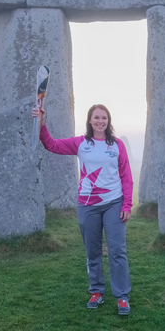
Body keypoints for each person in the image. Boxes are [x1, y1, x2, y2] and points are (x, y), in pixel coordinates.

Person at [33, 103, 133, 315]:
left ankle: (122, 296)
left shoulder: (116, 145)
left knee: (117, 251)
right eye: (96, 117)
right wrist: (42, 124)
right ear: (89, 120)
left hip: (114, 203)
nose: (100, 121)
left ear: (108, 121)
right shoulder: (80, 143)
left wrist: (127, 205)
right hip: (87, 205)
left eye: (104, 118)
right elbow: (51, 145)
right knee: (92, 251)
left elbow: (126, 176)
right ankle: (96, 292)